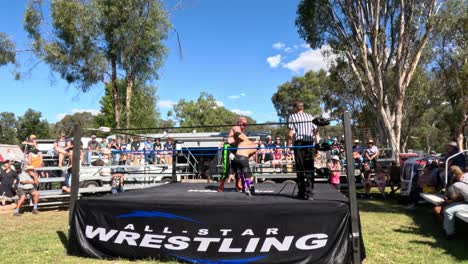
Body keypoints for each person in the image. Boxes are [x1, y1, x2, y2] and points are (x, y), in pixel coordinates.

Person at [287, 101, 317, 200]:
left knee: (300, 168)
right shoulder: (310, 117)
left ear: (296, 108)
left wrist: (288, 145)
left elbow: (290, 133)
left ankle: (301, 192)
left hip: (299, 144)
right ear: (302, 107)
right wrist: (316, 144)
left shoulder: (293, 117)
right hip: (309, 144)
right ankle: (310, 193)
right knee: (309, 168)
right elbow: (315, 130)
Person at [218, 117, 248, 192]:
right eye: (243, 124)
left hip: (235, 149)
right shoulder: (236, 128)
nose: (244, 126)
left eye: (246, 125)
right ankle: (221, 186)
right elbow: (240, 135)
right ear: (239, 123)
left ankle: (238, 185)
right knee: (226, 168)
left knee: (238, 167)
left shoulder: (242, 133)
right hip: (228, 148)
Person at [439, 166, 468, 239]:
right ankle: (447, 231)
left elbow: (451, 196)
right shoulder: (466, 175)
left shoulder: (456, 184)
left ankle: (449, 234)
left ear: (453, 175)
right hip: (465, 202)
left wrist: (448, 200)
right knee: (447, 209)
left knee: (448, 210)